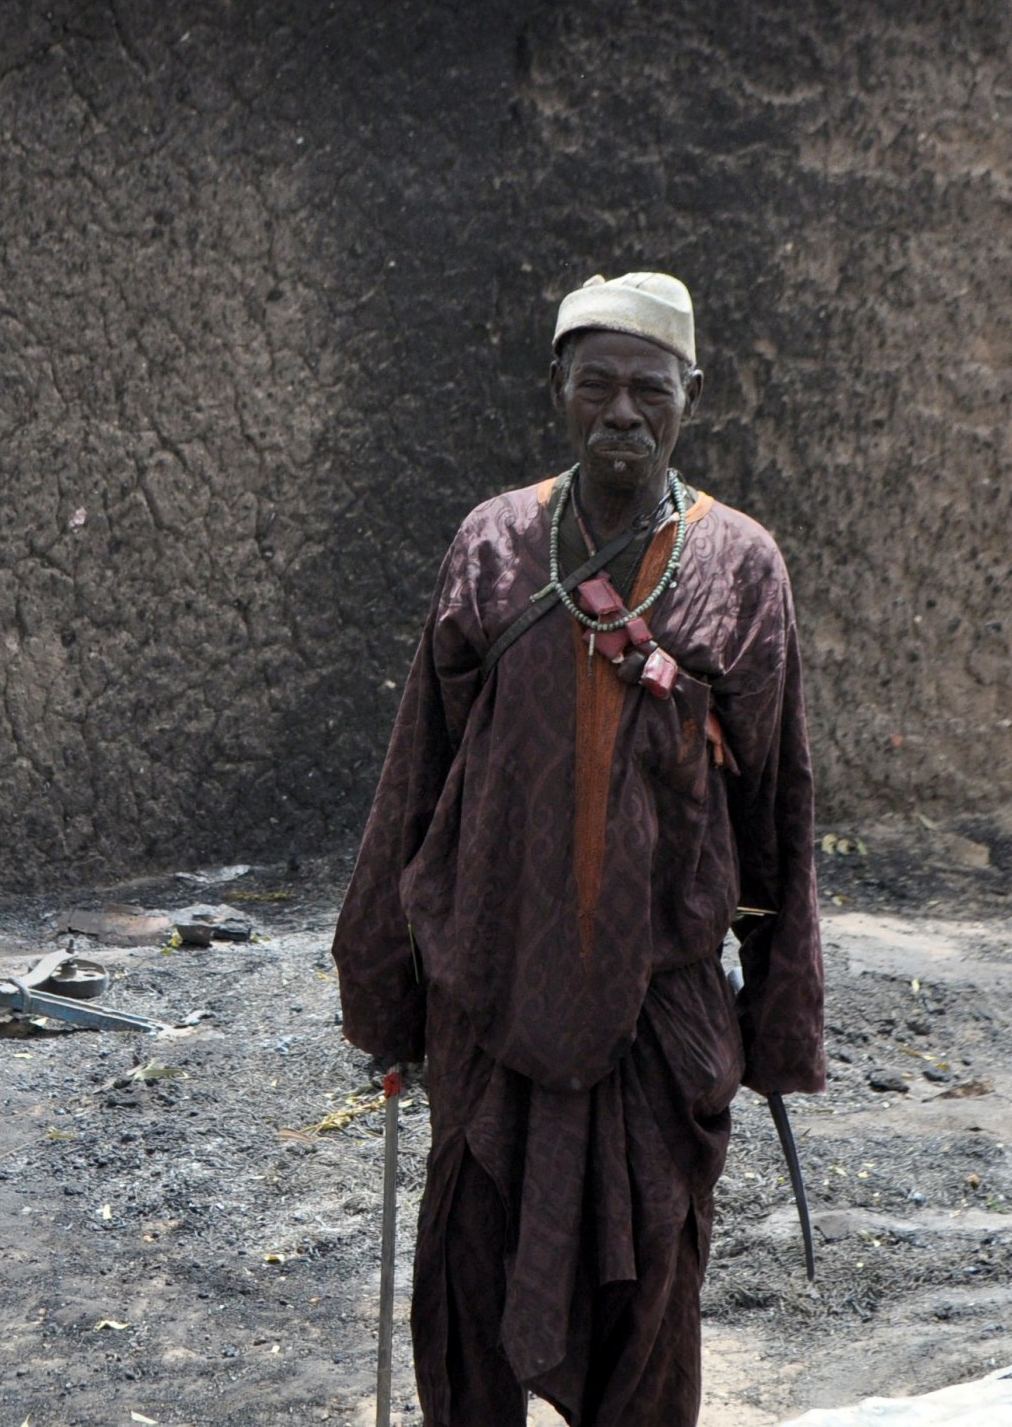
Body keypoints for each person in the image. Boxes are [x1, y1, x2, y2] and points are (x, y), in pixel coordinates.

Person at [332, 272, 825, 1426]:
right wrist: (384, 983)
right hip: (490, 992)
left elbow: (778, 809)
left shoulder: (742, 566)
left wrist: (777, 1017)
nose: (619, 411)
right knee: (467, 1289)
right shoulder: (494, 544)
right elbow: (419, 771)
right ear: (557, 388)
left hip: (660, 1013)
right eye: (594, 383)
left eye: (647, 389)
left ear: (690, 397)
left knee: (649, 1301)